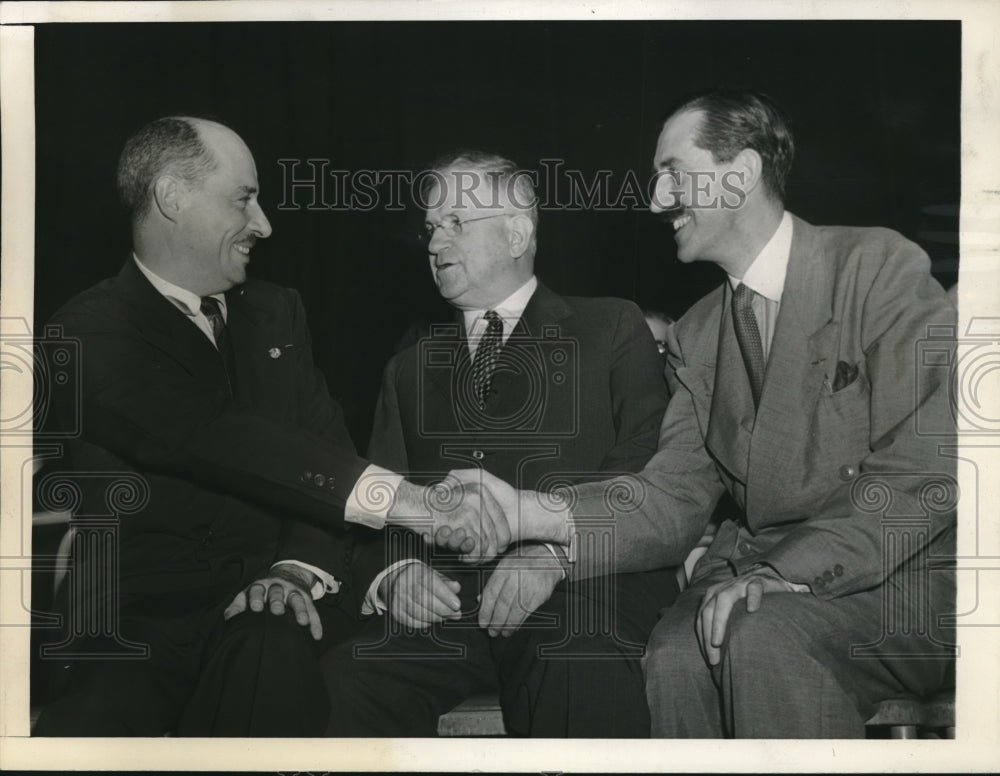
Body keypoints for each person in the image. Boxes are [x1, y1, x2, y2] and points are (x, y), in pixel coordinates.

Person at [474, 90, 957, 737]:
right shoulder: (697, 334)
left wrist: (790, 572)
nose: (655, 199)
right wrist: (531, 515)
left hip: (899, 578)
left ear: (742, 175)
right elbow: (673, 496)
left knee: (759, 636)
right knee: (671, 659)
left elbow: (922, 467)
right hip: (753, 575)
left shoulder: (877, 268)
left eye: (673, 171)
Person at [33, 117, 511, 736]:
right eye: (244, 198)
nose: (264, 224)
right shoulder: (86, 330)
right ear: (172, 196)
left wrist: (294, 570)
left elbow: (324, 449)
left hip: (272, 607)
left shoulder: (276, 313)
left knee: (280, 659)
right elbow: (215, 437)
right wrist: (411, 502)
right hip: (136, 630)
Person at [319, 151, 677, 737]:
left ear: (517, 233)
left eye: (457, 222)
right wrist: (400, 572)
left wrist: (555, 554)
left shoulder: (613, 326)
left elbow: (648, 472)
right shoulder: (406, 369)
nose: (435, 244)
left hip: (579, 592)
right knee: (342, 680)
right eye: (432, 227)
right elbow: (376, 506)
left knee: (575, 659)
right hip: (448, 609)